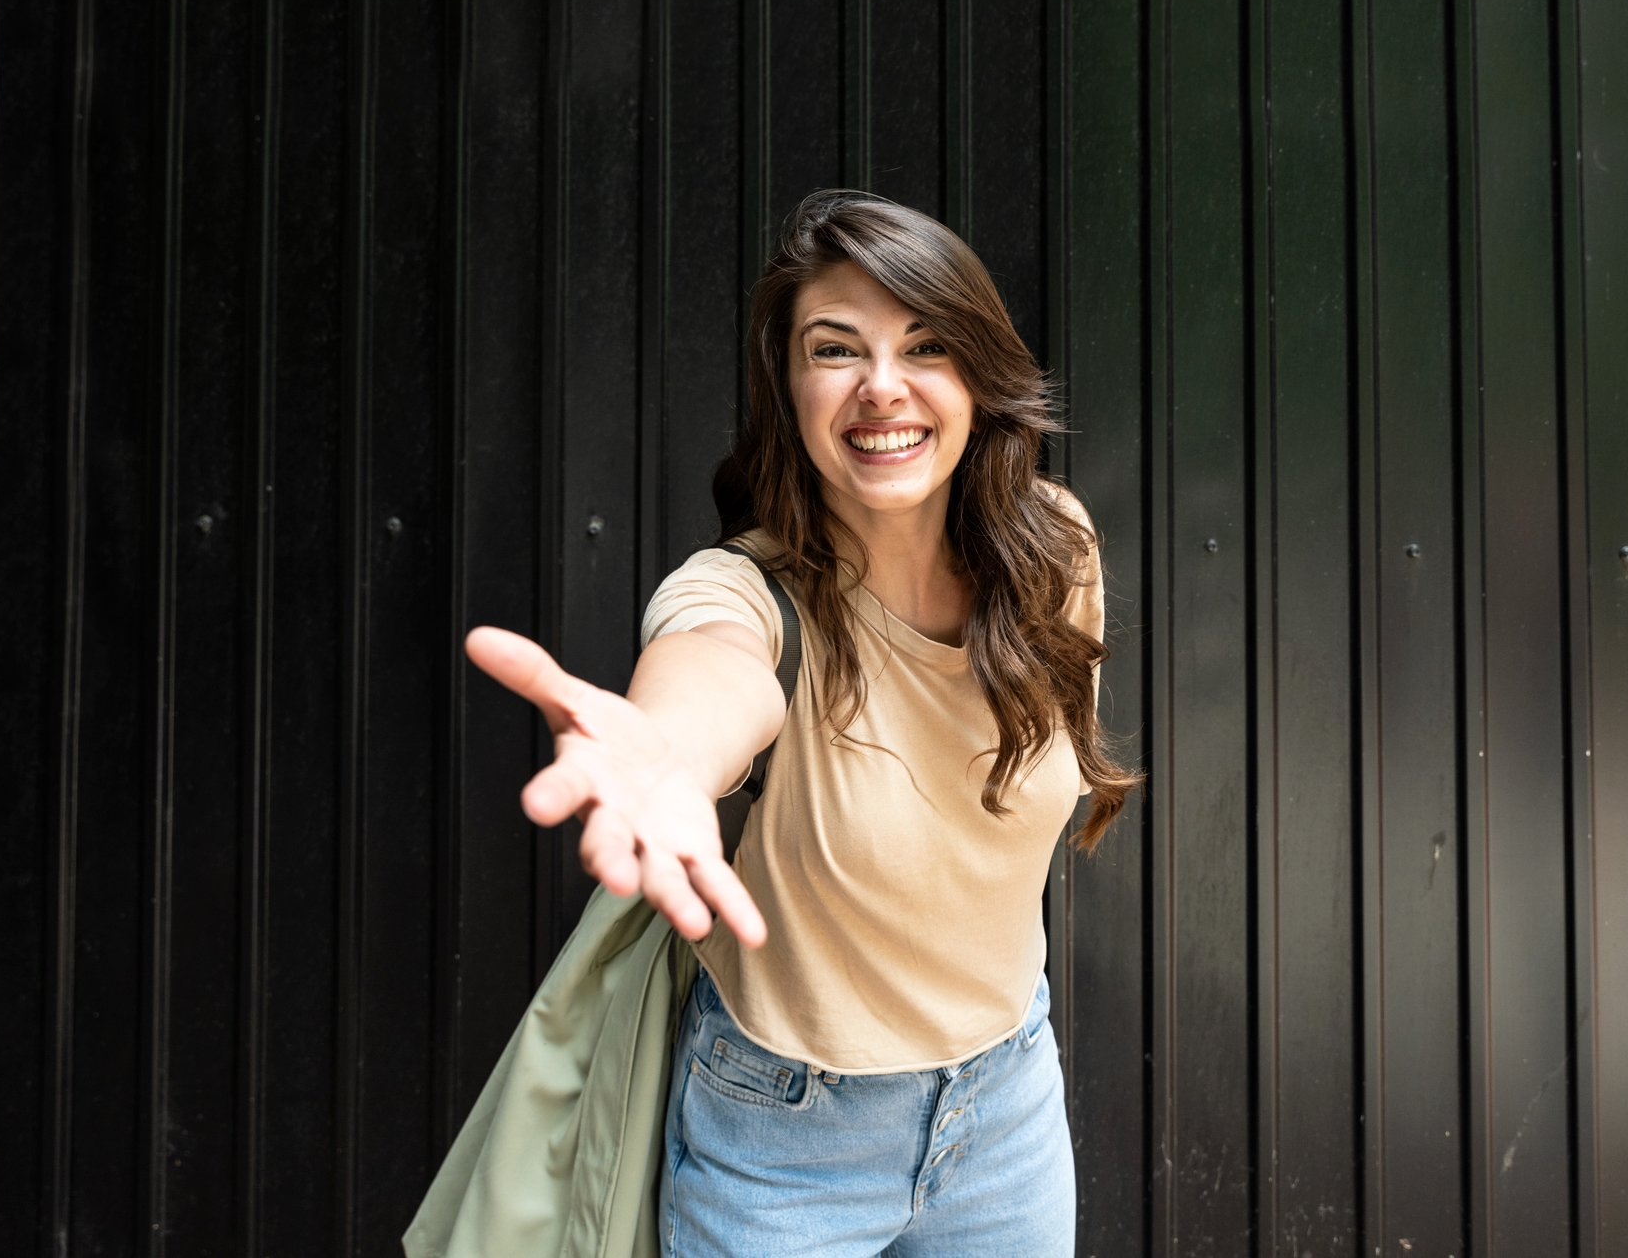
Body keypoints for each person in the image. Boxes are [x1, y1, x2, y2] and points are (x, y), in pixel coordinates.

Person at [463, 190, 1139, 1257]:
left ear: (976, 372)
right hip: (780, 1143)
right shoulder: (742, 595)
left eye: (924, 344)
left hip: (1004, 1105)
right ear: (786, 382)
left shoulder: (1054, 551)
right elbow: (707, 677)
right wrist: (667, 760)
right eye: (835, 349)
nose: (881, 387)